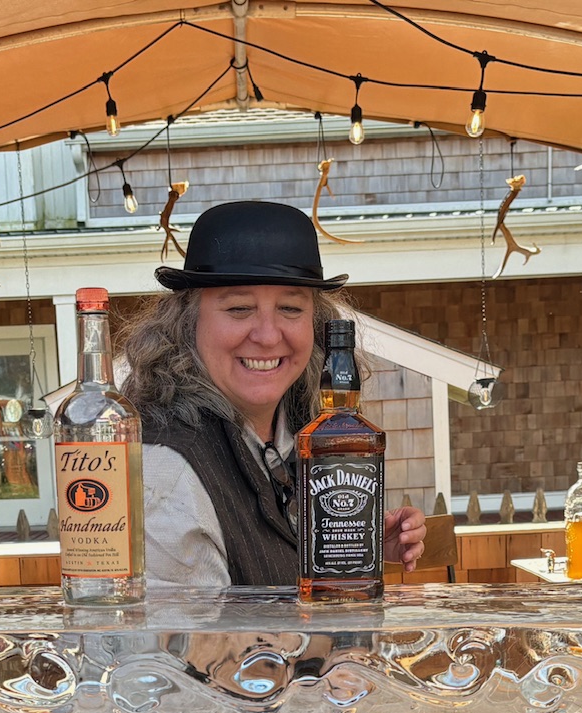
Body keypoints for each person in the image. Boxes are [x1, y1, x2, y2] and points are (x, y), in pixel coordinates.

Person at [119, 200, 424, 586]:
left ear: (317, 325)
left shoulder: (292, 436)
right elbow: (193, 644)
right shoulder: (166, 473)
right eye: (240, 308)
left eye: (290, 309)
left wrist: (345, 548)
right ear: (188, 323)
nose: (267, 335)